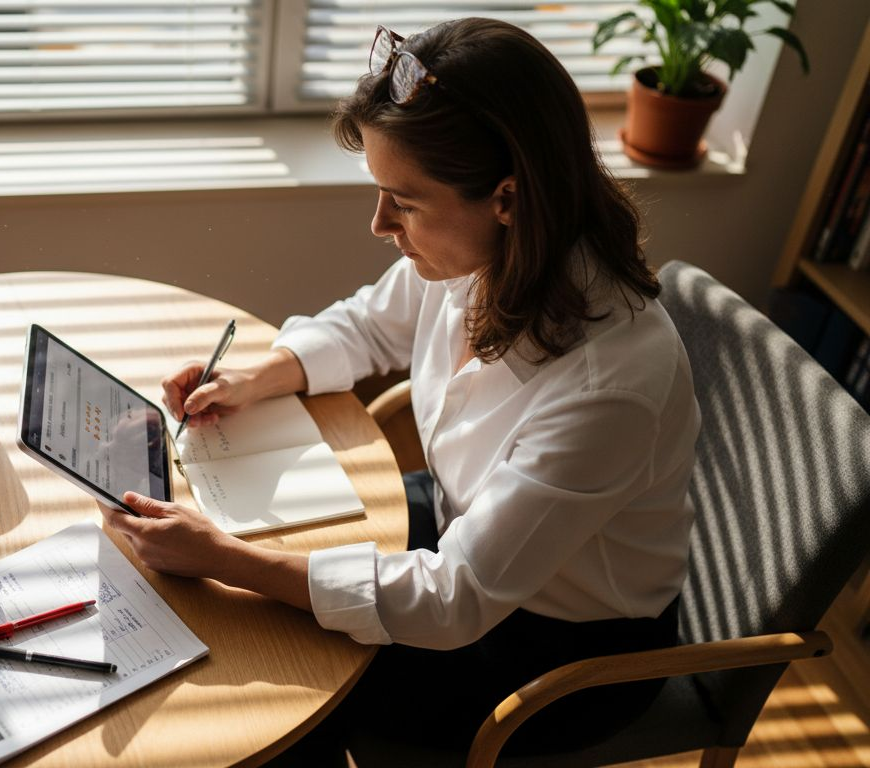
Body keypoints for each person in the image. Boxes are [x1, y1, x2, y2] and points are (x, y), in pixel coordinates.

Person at [102, 17, 701, 762]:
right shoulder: (495, 254)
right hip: (460, 530)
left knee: (287, 692)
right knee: (260, 583)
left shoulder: (610, 386)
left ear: (507, 197)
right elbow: (369, 326)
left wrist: (225, 560)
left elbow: (455, 601)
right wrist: (262, 374)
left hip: (555, 649)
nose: (381, 224)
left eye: (404, 201)